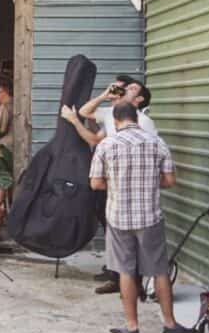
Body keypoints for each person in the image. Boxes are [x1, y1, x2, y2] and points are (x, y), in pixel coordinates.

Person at [89, 103, 193, 333]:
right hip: (150, 217)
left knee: (126, 270)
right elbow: (169, 180)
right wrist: (148, 184)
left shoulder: (107, 145)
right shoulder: (157, 142)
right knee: (159, 270)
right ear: (135, 117)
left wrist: (115, 185)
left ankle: (132, 328)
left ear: (115, 121)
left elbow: (95, 183)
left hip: (118, 217)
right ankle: (169, 324)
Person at [61, 74, 156, 294]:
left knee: (131, 233)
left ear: (139, 99)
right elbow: (85, 113)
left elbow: (150, 152)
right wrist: (106, 94)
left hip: (130, 185)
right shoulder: (113, 115)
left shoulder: (143, 122)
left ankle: (134, 280)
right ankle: (119, 275)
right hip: (107, 181)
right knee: (111, 227)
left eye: (131, 88)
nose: (124, 90)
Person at [0, 82, 14, 208]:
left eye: (0, 92)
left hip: (5, 146)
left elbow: (2, 129)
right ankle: (2, 205)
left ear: (5, 92)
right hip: (15, 147)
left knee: (1, 175)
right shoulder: (17, 103)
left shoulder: (5, 106)